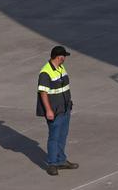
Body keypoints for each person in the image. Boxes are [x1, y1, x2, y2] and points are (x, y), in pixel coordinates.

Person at [37, 45, 78, 176]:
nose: (65, 58)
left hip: (65, 109)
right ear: (59, 57)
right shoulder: (45, 72)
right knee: (54, 137)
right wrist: (48, 110)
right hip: (54, 111)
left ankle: (61, 160)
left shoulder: (61, 68)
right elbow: (43, 93)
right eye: (64, 56)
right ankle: (52, 164)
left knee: (62, 135)